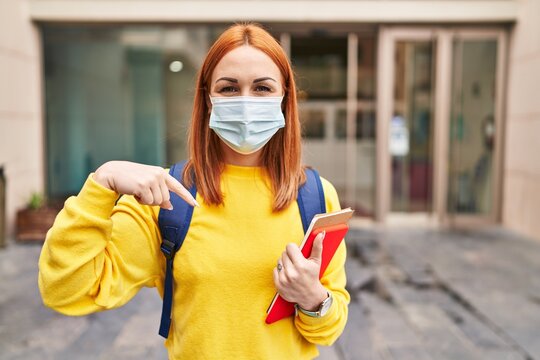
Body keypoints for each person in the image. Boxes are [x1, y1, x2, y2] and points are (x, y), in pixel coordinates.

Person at [38, 22, 350, 359]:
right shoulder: (167, 198)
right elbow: (64, 290)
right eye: (229, 88)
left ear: (284, 97)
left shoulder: (316, 196)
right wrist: (102, 182)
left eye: (262, 88)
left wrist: (313, 298)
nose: (246, 101)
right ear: (208, 98)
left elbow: (330, 329)